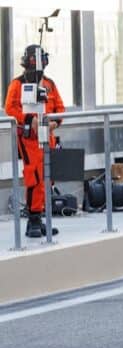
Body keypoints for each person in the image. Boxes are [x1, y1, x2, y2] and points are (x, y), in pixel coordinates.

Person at [4, 44, 65, 237]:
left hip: (48, 135)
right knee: (35, 176)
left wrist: (54, 122)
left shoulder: (49, 84)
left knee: (48, 178)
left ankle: (43, 217)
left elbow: (60, 109)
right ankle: (33, 220)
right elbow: (10, 108)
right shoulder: (17, 84)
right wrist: (31, 120)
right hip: (29, 137)